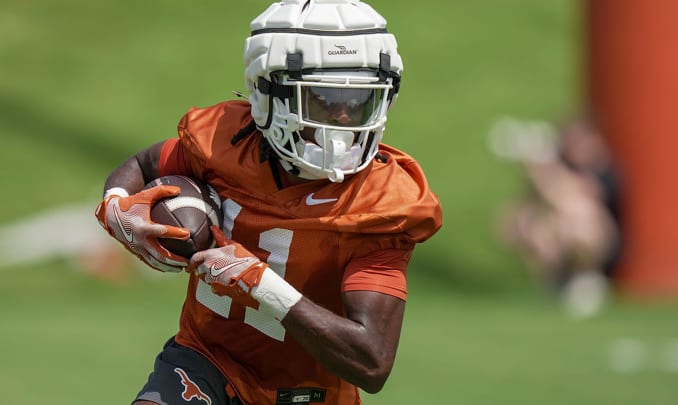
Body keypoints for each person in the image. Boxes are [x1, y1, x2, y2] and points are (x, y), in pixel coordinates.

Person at [94, 1, 442, 404]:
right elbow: (144, 163)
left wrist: (262, 285)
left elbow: (371, 361)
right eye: (322, 99)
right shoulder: (223, 139)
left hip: (308, 395)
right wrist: (117, 206)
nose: (343, 118)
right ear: (266, 94)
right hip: (206, 361)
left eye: (359, 99)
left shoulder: (385, 201)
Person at [492, 115, 622, 316]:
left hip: (602, 243)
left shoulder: (603, 171)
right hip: (560, 243)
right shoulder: (564, 166)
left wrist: (543, 172)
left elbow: (575, 195)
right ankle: (554, 282)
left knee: (577, 218)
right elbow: (519, 212)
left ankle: (586, 279)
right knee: (528, 223)